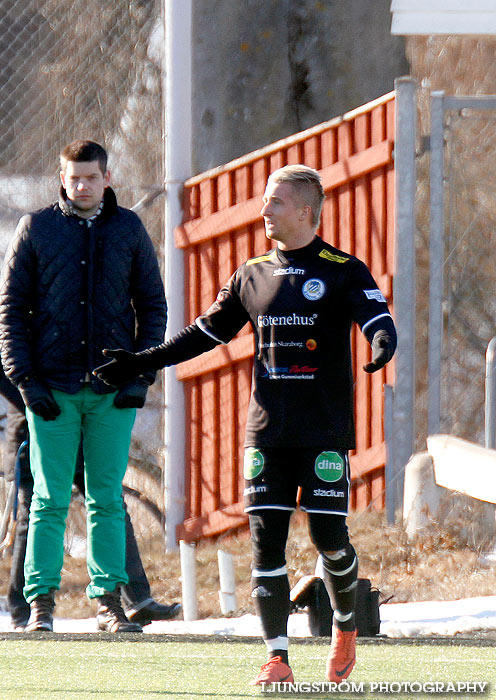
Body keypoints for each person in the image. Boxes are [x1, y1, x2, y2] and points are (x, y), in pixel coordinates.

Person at [94, 164, 396, 684]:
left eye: (275, 202)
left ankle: (345, 625)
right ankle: (277, 658)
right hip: (266, 431)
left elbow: (377, 318)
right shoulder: (251, 273)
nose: (264, 211)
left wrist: (382, 341)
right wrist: (141, 361)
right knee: (265, 540)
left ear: (305, 210)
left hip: (323, 431)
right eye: (263, 201)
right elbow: (203, 335)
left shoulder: (343, 268)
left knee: (330, 539)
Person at [0, 140, 167, 633]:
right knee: (48, 499)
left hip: (113, 392)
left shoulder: (129, 229)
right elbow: (10, 313)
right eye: (74, 178)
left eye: (91, 177)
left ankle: (109, 602)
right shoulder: (36, 229)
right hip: (52, 390)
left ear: (107, 178)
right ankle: (41, 604)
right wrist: (27, 383)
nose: (82, 186)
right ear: (62, 178)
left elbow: (152, 307)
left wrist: (141, 374)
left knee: (106, 497)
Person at [0, 309, 181, 631]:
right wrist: (39, 404)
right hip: (37, 426)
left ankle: (133, 600)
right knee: (36, 510)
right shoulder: (17, 303)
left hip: (91, 419)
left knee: (109, 503)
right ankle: (26, 611)